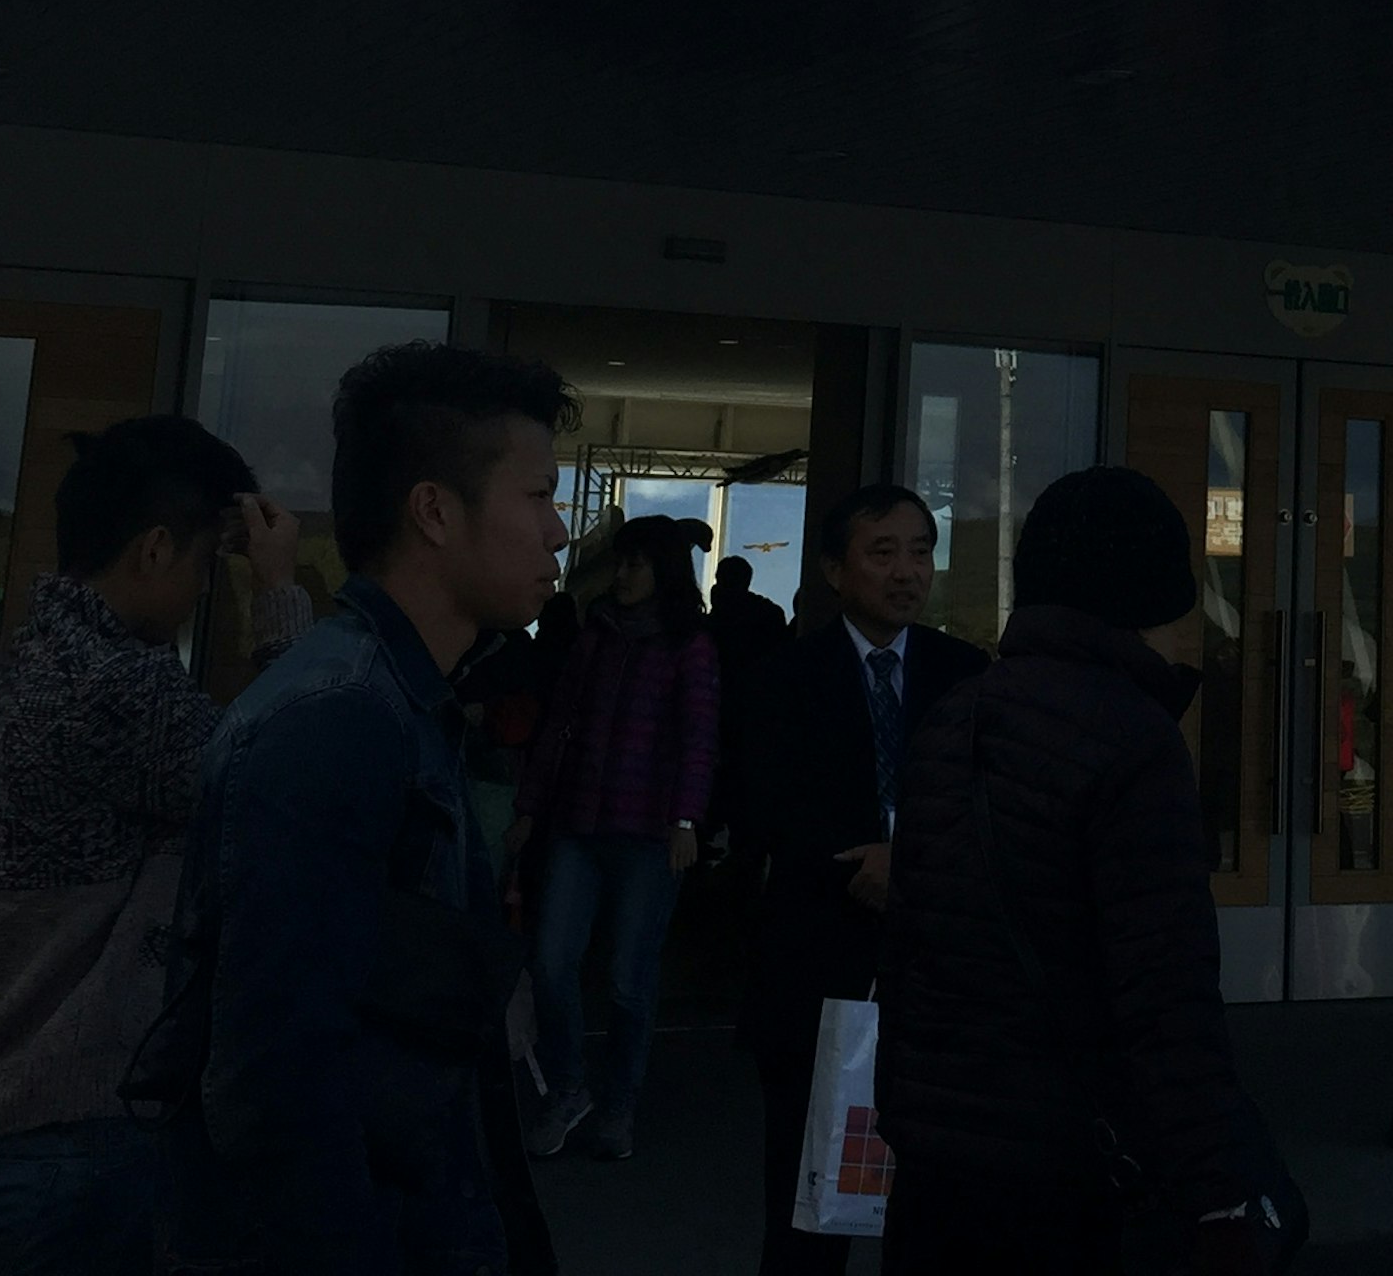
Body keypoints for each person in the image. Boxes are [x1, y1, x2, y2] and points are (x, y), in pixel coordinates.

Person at [153, 342, 574, 1276]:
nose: (558, 532)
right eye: (540, 495)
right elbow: (279, 1081)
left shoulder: (397, 697)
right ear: (433, 509)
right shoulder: (338, 718)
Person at [0, 415, 309, 1274]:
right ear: (154, 550)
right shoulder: (124, 691)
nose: (210, 587)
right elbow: (292, 790)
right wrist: (279, 596)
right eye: (208, 565)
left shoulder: (5, 697)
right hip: (94, 1138)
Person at [878, 466, 1292, 1276]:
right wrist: (1221, 1194)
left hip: (937, 1160)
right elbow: (1163, 997)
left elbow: (910, 952)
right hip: (1073, 1168)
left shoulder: (953, 718)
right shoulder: (1135, 744)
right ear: (1147, 599)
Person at [731, 485, 983, 1275]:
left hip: (943, 973)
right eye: (883, 554)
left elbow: (990, 800)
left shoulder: (967, 674)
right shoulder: (781, 677)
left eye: (920, 552)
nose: (907, 572)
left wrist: (905, 856)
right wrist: (860, 858)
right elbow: (762, 803)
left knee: (944, 1197)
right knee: (809, 1193)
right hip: (817, 958)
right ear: (836, 571)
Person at [514, 510, 721, 1162]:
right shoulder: (596, 637)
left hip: (647, 832)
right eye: (622, 562)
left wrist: (686, 820)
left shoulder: (690, 645)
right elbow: (558, 727)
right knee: (553, 963)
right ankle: (575, 1088)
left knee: (629, 979)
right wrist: (532, 807)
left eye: (635, 562)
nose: (624, 573)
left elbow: (699, 740)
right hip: (583, 822)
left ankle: (614, 1102)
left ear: (663, 570)